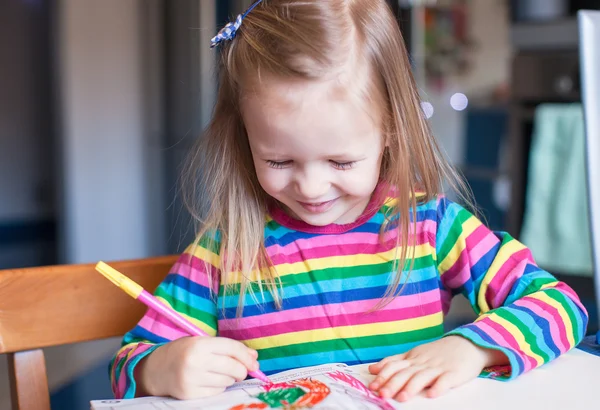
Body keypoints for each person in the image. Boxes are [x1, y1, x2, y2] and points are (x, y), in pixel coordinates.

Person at [109, 0, 588, 403]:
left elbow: (560, 306)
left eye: (340, 162)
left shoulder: (432, 227)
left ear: (389, 134)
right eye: (278, 161)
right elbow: (128, 364)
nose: (312, 188)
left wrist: (473, 348)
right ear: (245, 141)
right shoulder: (222, 253)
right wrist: (161, 368)